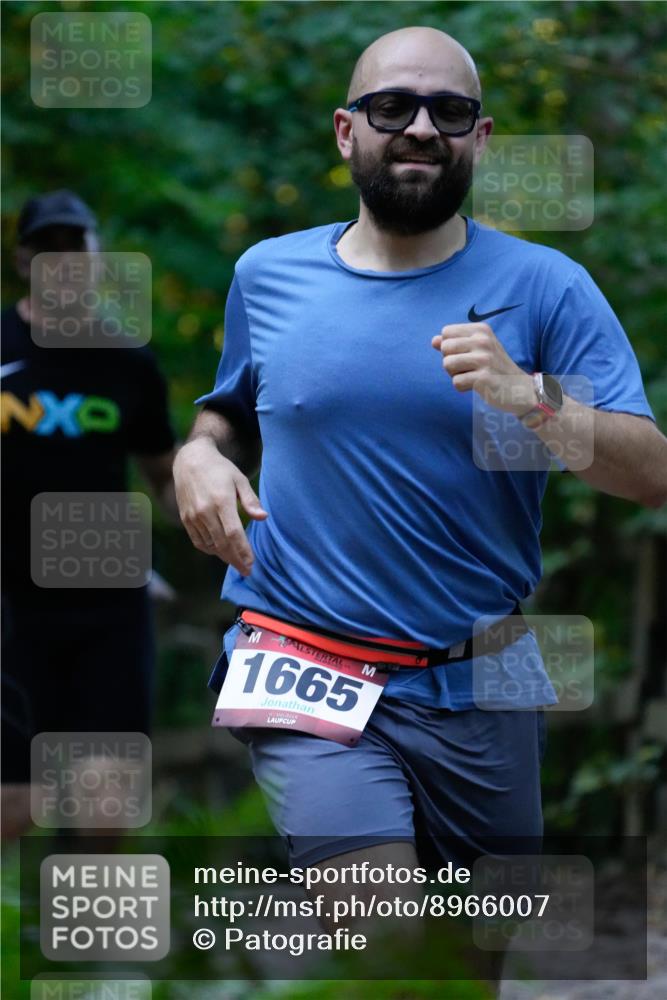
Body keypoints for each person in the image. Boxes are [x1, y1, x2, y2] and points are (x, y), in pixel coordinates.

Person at [174, 22, 666, 945]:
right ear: (344, 130)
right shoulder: (267, 274)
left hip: (485, 679)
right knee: (384, 934)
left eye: (449, 110)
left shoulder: (547, 286)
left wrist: (532, 400)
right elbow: (232, 408)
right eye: (392, 106)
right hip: (304, 659)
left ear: (478, 137)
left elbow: (650, 474)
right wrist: (197, 454)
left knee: (466, 964)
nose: (420, 128)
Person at [1, 190, 178, 837]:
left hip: (108, 604)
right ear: (24, 259)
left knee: (105, 813)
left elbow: (166, 476)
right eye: (49, 247)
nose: (65, 261)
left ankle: (74, 937)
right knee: (13, 808)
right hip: (10, 606)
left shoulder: (128, 361)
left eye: (78, 246)